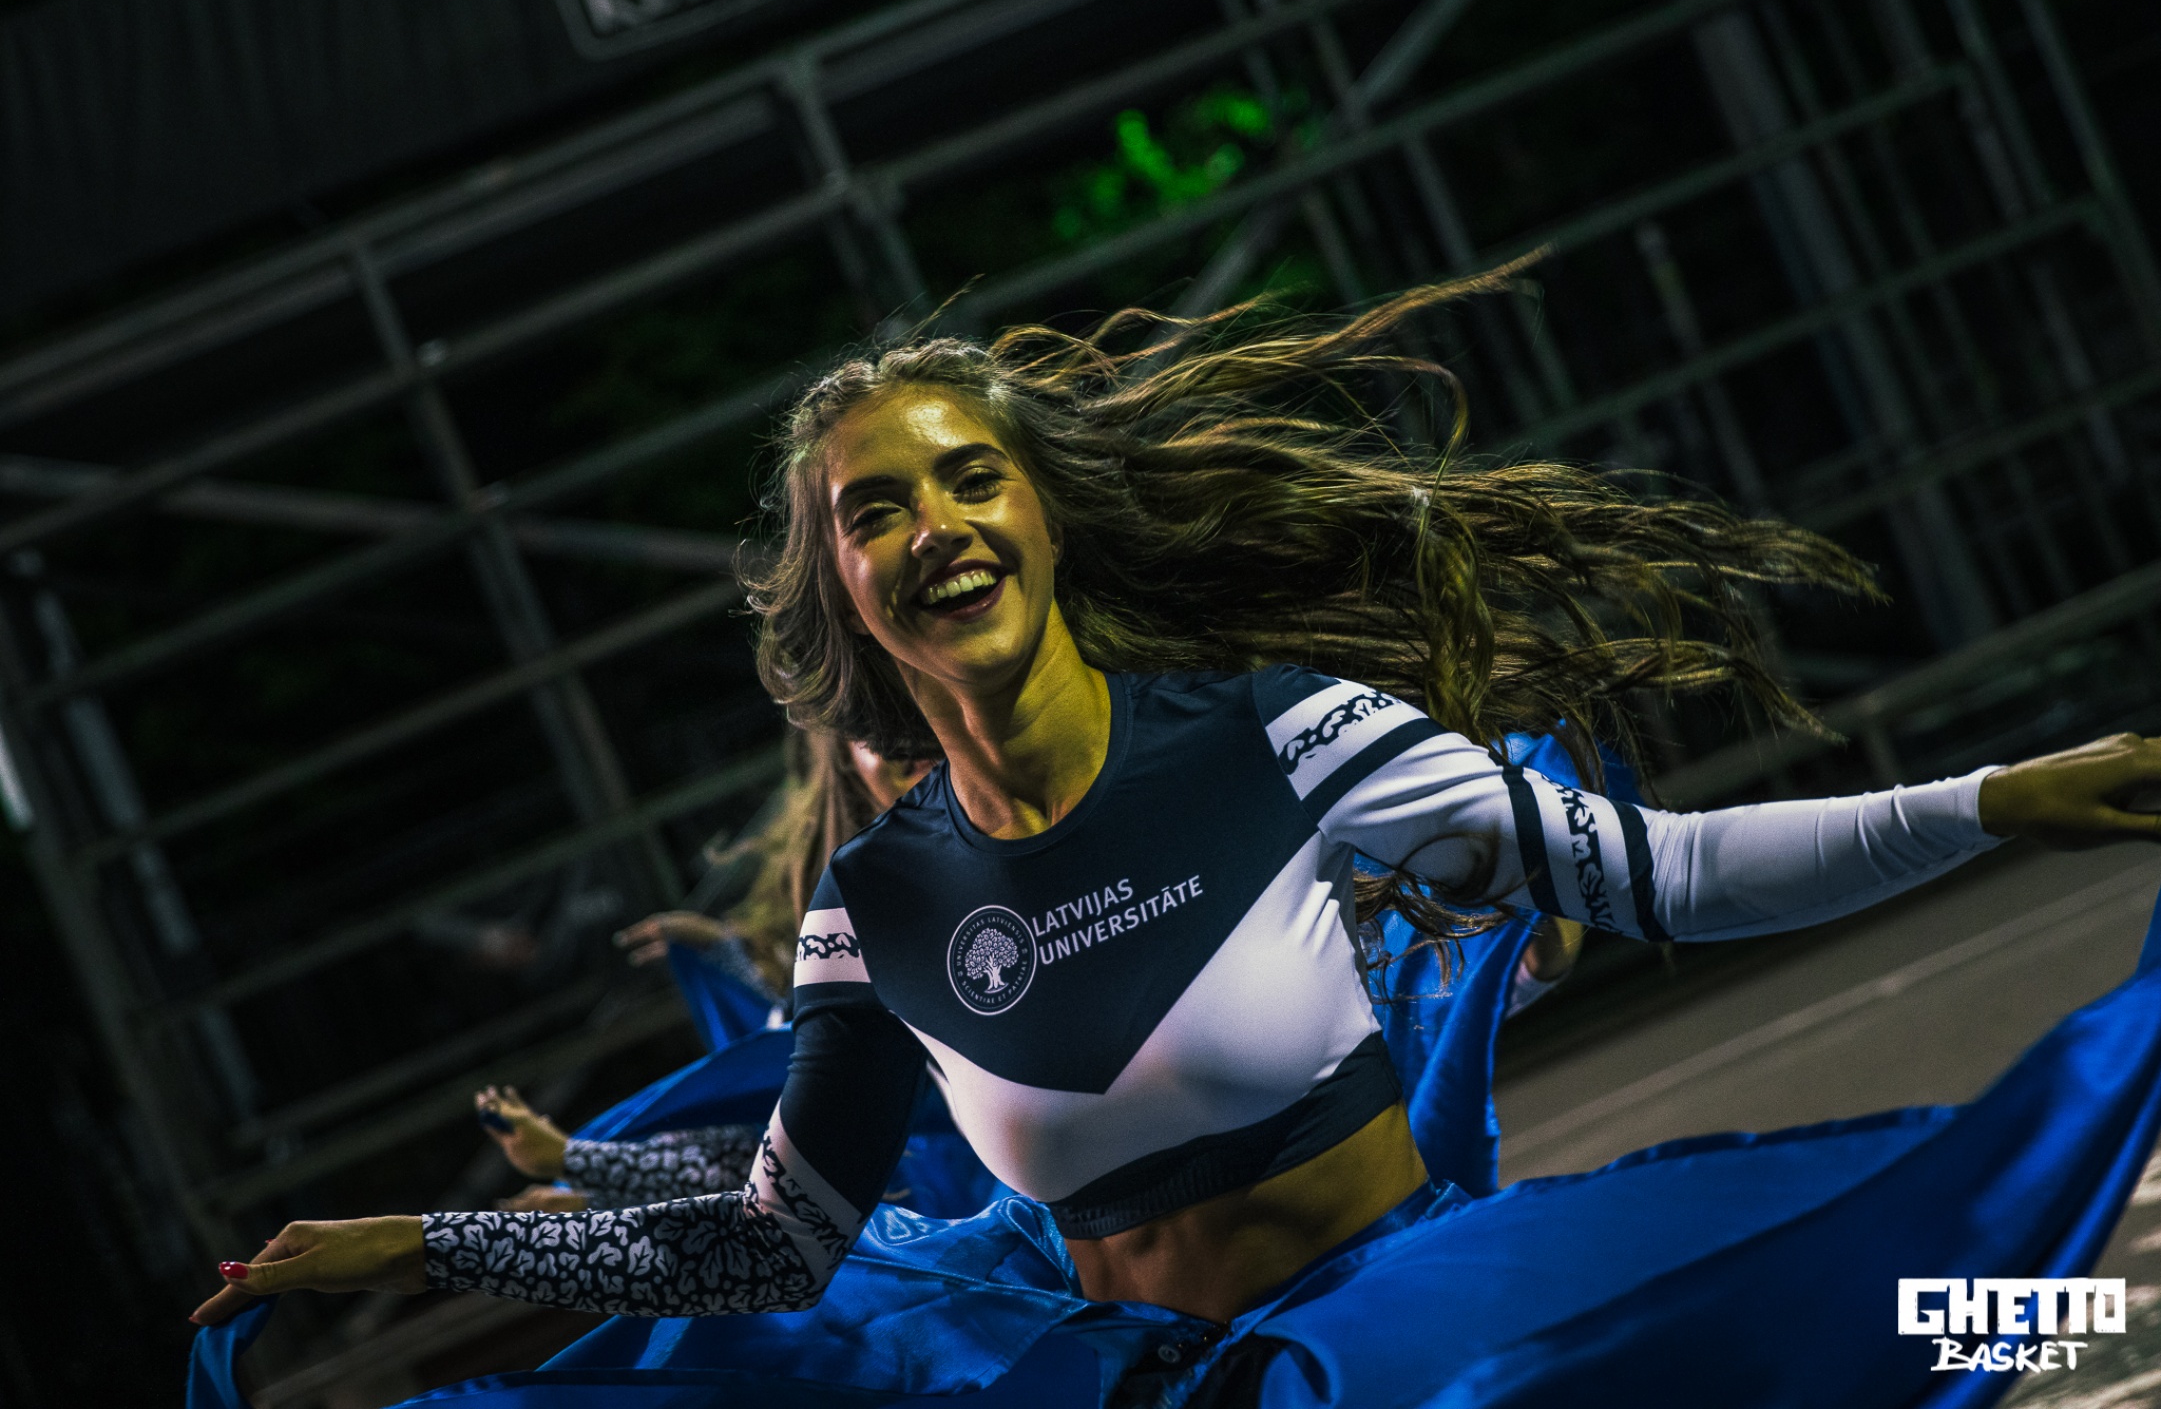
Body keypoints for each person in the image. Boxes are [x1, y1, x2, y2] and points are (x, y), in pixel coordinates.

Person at [188, 280, 2161, 1405]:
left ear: (1045, 520)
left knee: (1915, 1278)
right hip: (1138, 1381)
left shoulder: (1278, 733)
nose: (934, 526)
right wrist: (429, 1239)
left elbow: (1662, 877)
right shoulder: (872, 909)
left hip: (1405, 1330)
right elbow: (777, 1239)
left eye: (971, 479)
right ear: (842, 585)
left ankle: (2106, 1300)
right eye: (876, 511)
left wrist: (1995, 800)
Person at [476, 732, 939, 1212]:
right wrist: (722, 956)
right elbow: (793, 1056)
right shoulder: (857, 881)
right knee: (781, 1115)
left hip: (930, 1129)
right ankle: (595, 1183)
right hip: (906, 1130)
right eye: (875, 732)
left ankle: (592, 1180)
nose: (910, 752)